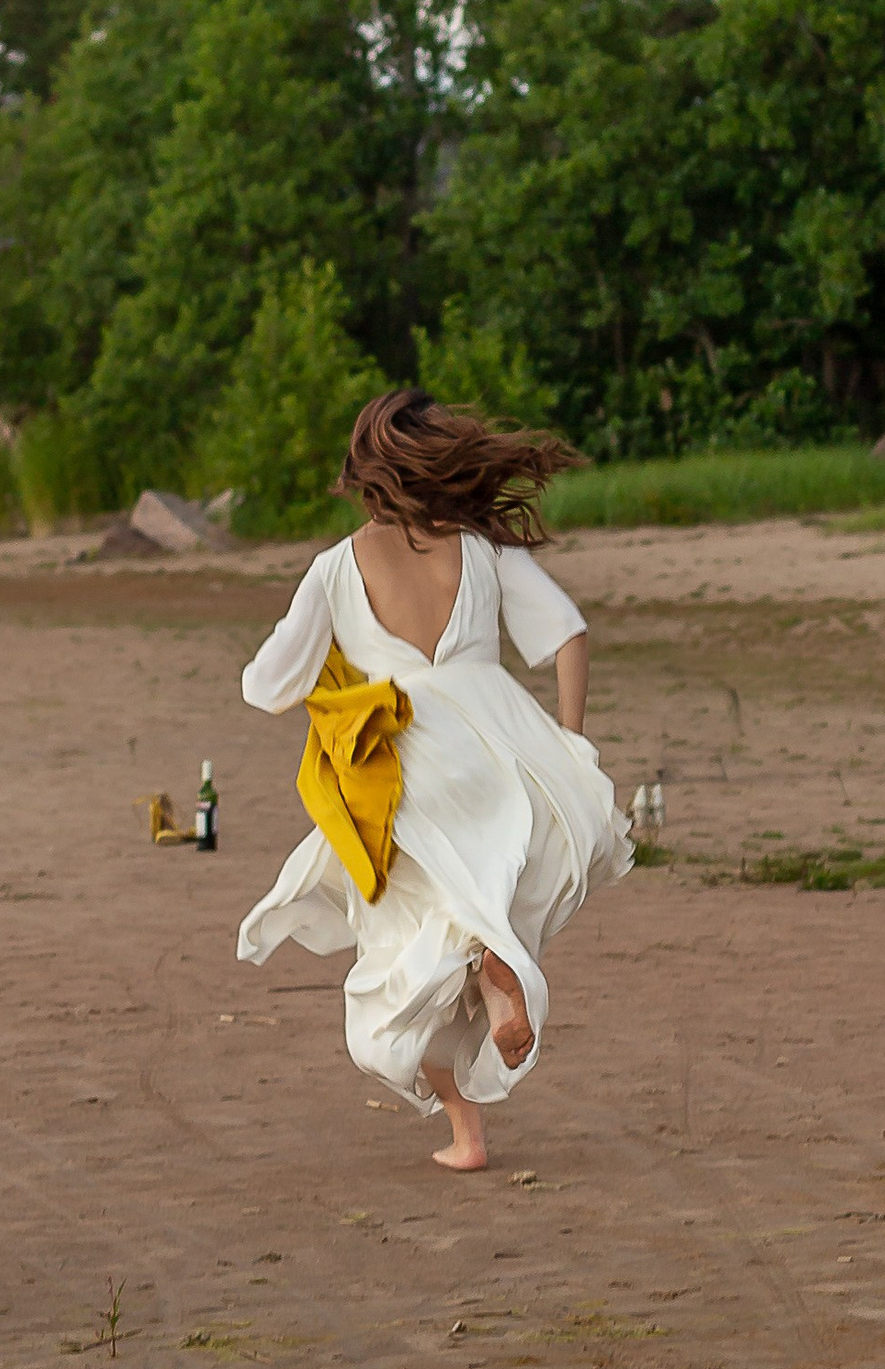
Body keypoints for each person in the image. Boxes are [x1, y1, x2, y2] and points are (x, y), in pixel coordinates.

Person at [236, 388, 632, 1171]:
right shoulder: (486, 549)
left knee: (397, 962)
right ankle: (484, 1039)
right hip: (500, 748)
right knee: (483, 907)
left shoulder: (334, 569)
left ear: (366, 472)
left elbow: (266, 685)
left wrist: (340, 670)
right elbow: (568, 635)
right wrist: (569, 748)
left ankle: (467, 1100)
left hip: (405, 764)